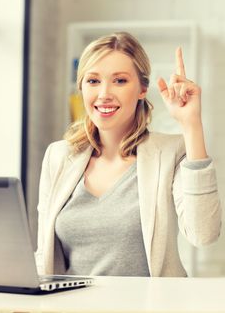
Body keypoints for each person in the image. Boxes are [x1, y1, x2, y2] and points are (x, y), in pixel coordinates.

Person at [36, 32, 221, 277]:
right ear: (81, 87)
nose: (104, 94)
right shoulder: (58, 157)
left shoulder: (170, 152)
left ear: (143, 89)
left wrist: (191, 125)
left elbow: (203, 233)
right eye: (93, 81)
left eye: (120, 81)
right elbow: (44, 255)